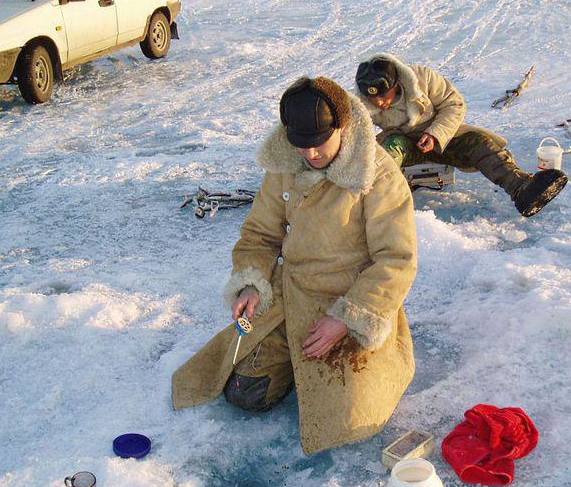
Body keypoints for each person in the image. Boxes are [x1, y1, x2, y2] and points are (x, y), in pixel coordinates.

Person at [172, 76, 418, 455]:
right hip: (291, 296)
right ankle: (293, 362)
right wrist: (252, 283)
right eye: (301, 146)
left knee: (350, 418)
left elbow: (397, 260)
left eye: (319, 144)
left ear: (343, 126)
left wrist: (346, 318)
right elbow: (259, 234)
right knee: (245, 393)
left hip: (348, 303)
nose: (311, 155)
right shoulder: (287, 163)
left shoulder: (378, 175)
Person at [355, 53, 568, 217]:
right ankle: (380, 207)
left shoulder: (423, 79)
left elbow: (454, 104)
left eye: (384, 95)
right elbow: (353, 134)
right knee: (389, 152)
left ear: (396, 84)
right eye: (372, 98)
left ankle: (521, 188)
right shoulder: (361, 103)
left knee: (480, 144)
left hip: (446, 138)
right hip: (403, 142)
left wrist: (435, 134)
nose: (379, 102)